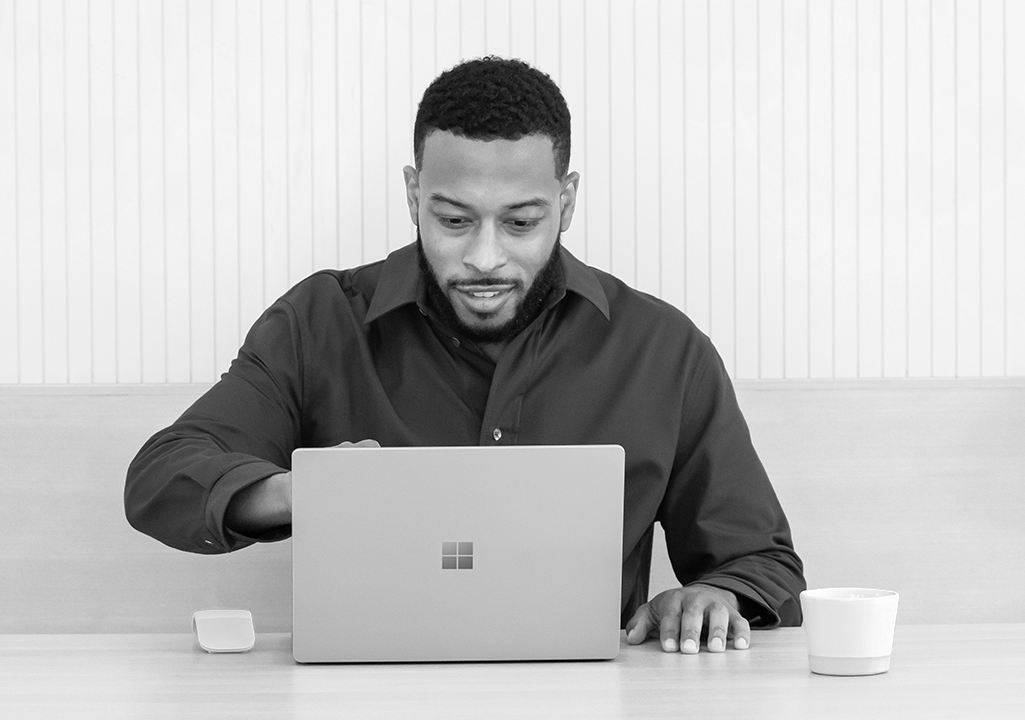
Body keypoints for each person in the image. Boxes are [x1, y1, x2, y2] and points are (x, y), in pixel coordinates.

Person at [125, 56, 805, 655]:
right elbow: (162, 476)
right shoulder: (321, 322)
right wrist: (304, 492)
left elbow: (764, 564)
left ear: (566, 202)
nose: (484, 257)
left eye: (520, 222)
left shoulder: (663, 350)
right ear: (413, 195)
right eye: (453, 220)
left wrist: (715, 597)